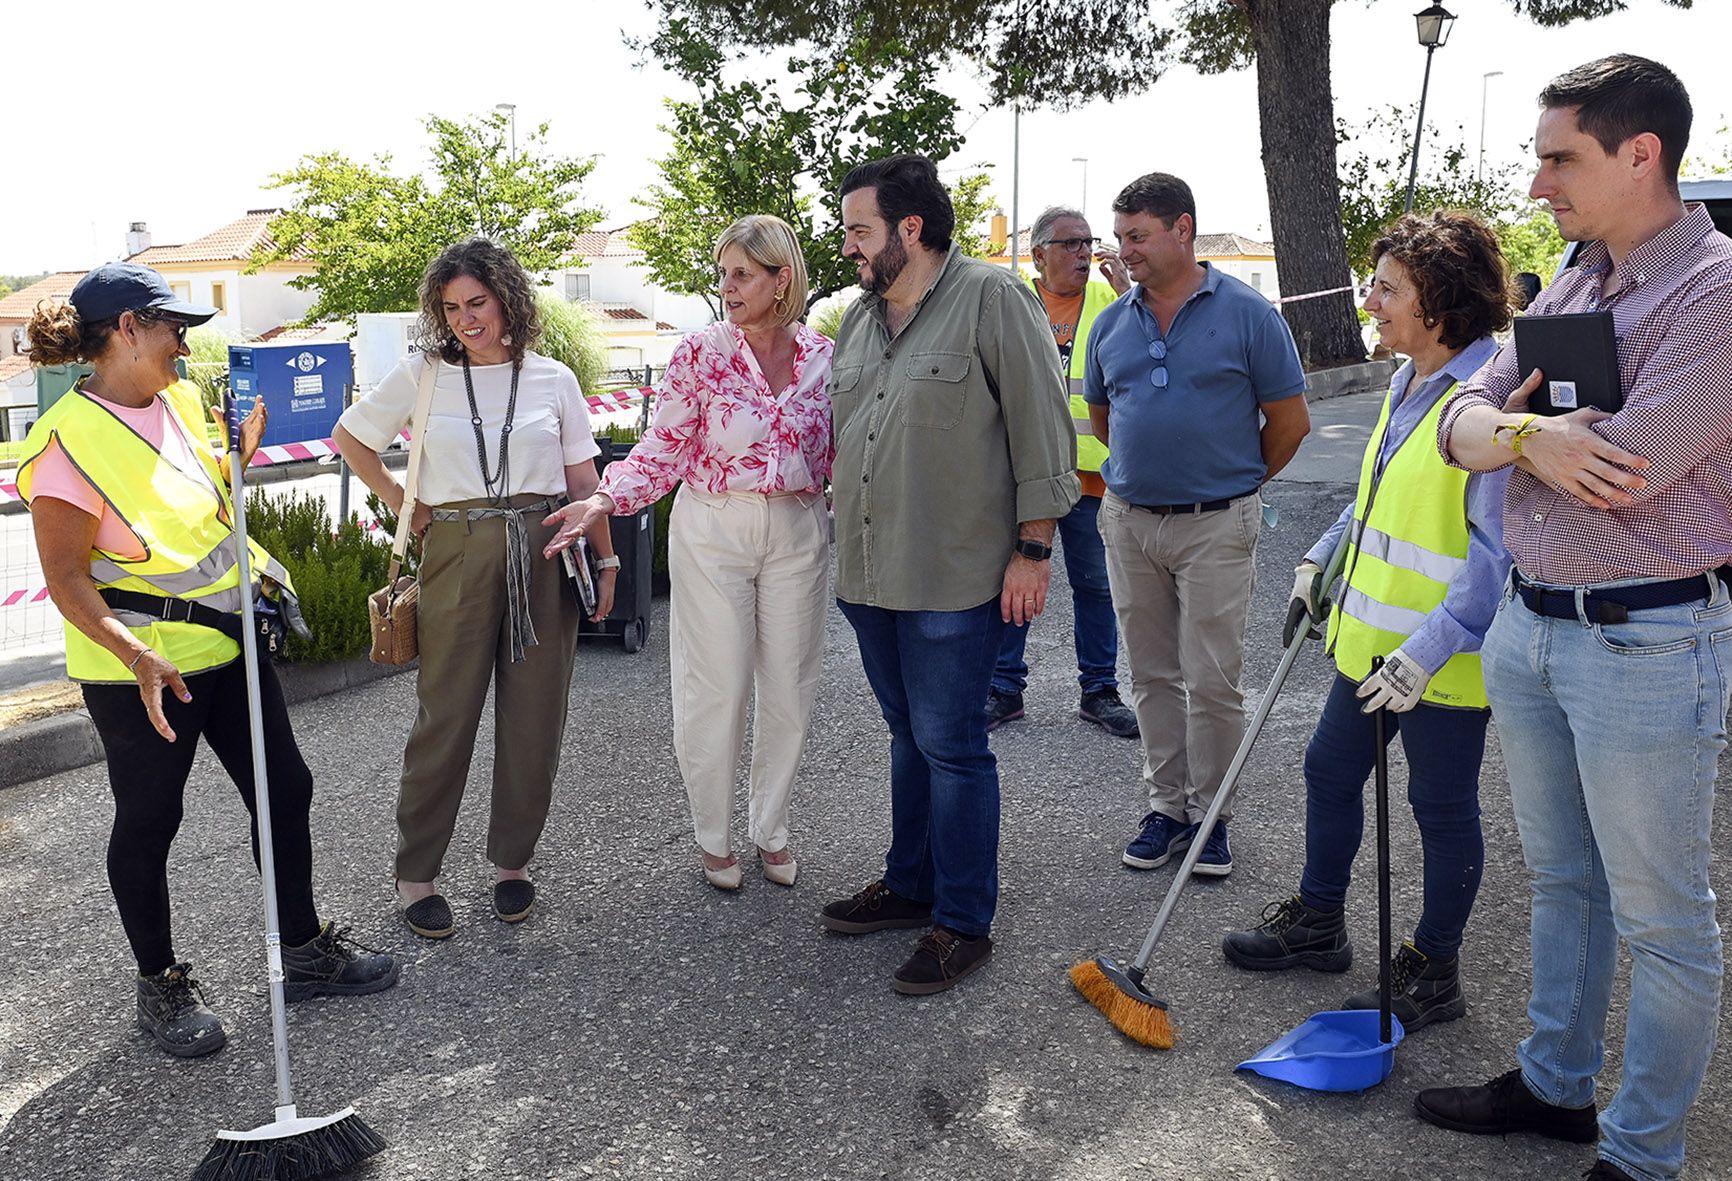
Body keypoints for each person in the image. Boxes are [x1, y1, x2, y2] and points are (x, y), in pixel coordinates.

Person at [1418, 56, 1732, 1181]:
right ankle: (1555, 1088)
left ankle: (1641, 1153)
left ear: (1638, 152)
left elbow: (1630, 469)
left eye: (1561, 158)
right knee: (1561, 878)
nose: (1540, 182)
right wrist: (1531, 438)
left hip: (1646, 641)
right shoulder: (1571, 281)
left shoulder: (1716, 291)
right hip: (1531, 626)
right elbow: (1449, 420)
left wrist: (1523, 440)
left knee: (1662, 918)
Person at [17, 262, 398, 1059]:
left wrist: (241, 461)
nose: (184, 347)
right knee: (152, 819)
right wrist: (134, 653)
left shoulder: (182, 402)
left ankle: (302, 950)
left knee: (285, 787)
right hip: (141, 671)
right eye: (173, 329)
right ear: (127, 330)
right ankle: (159, 987)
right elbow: (65, 577)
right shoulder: (64, 443)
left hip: (228, 641)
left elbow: (198, 515)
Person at [1221, 210, 1517, 1033]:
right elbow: (1376, 500)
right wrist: (1320, 557)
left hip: (1440, 668)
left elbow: (1494, 562)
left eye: (1388, 288)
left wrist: (1421, 657)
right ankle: (1319, 922)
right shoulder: (1406, 378)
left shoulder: (1486, 402)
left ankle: (1434, 970)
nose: (1371, 302)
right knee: (1327, 771)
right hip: (1366, 648)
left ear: (1442, 302)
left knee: (1442, 810)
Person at [818, 154, 1079, 995]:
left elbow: (1044, 427)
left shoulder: (992, 298)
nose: (849, 245)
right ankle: (909, 884)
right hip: (869, 575)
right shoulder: (859, 321)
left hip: (956, 575)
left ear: (910, 229)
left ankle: (962, 922)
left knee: (955, 748)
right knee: (909, 737)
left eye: (859, 229)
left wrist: (1033, 549)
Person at [335, 238, 615, 939]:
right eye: (452, 307)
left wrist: (606, 564)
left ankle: (512, 864)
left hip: (543, 544)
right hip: (455, 549)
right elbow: (351, 436)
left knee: (534, 717)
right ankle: (416, 872)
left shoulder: (554, 379)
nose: (465, 318)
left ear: (507, 299)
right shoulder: (425, 373)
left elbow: (584, 483)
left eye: (477, 303)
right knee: (445, 716)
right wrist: (406, 500)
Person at [546, 214, 833, 891]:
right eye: (724, 273)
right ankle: (714, 835)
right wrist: (605, 500)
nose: (726, 287)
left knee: (790, 687)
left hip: (798, 528)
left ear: (780, 277)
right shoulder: (701, 352)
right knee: (717, 687)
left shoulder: (825, 355)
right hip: (714, 527)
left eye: (741, 274)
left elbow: (843, 452)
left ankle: (772, 828)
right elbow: (663, 446)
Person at [1085, 172, 1310, 877]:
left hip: (1217, 524)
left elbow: (1291, 422)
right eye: (1121, 238)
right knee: (1151, 676)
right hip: (1128, 522)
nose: (1127, 252)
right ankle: (1167, 807)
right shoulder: (1112, 322)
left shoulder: (1248, 314)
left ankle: (1212, 817)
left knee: (1213, 681)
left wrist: (1234, 485)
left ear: (1183, 229)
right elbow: (1104, 418)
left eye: (1139, 237)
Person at [983, 205, 1138, 739]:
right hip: (1027, 475)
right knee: (1017, 582)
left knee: (1096, 586)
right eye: (1070, 244)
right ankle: (1004, 689)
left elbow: (1151, 348)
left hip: (1092, 478)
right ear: (1038, 254)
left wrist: (1129, 295)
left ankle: (1099, 690)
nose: (1083, 253)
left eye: (1088, 242)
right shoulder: (1013, 302)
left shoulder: (1111, 298)